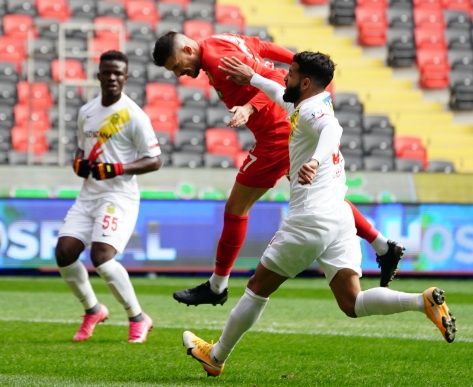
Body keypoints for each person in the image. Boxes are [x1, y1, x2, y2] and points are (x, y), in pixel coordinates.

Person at [181, 52, 457, 377]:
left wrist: (314, 160)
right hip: (340, 216)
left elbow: (333, 130)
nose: (285, 76)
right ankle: (420, 301)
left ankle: (215, 356)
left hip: (310, 219)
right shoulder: (310, 103)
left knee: (257, 287)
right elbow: (275, 92)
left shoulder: (312, 112)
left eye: (292, 73)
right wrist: (251, 78)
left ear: (306, 82)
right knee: (351, 302)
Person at [151, 32, 405, 306]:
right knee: (328, 200)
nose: (179, 74)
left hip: (275, 137)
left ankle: (217, 286)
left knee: (236, 208)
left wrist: (249, 107)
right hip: (286, 131)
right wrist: (296, 60)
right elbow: (263, 46)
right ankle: (383, 246)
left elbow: (273, 80)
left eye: (177, 66)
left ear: (188, 49)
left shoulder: (219, 58)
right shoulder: (217, 40)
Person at [55, 50, 162, 343]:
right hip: (89, 194)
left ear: (125, 78)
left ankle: (138, 317)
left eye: (118, 73)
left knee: (101, 257)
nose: (112, 77)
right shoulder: (86, 112)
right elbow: (80, 150)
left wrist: (118, 168)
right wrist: (79, 163)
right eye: (107, 72)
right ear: (99, 74)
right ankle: (93, 310)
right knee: (64, 253)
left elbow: (154, 159)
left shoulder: (135, 115)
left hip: (119, 196)